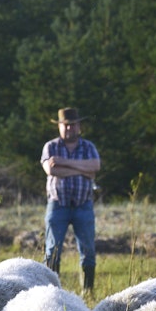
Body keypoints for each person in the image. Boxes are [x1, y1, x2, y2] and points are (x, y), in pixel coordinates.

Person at [41, 107, 100, 292]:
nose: (69, 129)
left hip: (83, 205)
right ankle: (51, 291)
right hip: (58, 204)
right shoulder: (51, 147)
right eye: (65, 126)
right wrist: (83, 170)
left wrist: (64, 163)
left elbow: (96, 166)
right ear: (59, 126)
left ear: (79, 126)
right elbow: (50, 170)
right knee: (52, 250)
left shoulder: (88, 147)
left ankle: (88, 291)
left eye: (72, 125)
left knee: (88, 250)